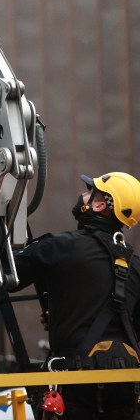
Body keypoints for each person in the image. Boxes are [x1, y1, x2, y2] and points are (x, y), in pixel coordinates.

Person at [11, 172, 140, 419]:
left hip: (76, 387)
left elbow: (9, 277)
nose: (84, 194)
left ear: (100, 204)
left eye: (91, 191)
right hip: (127, 386)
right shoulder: (135, 265)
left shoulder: (61, 246)